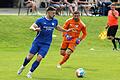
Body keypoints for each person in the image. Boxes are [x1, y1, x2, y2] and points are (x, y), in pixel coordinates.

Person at [17, 6, 73, 78]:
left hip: (46, 44)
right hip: (37, 42)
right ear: (48, 12)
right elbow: (31, 27)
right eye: (53, 13)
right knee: (29, 57)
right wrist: (35, 29)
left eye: (55, 13)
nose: (54, 14)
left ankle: (30, 72)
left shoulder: (55, 21)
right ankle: (23, 66)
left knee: (39, 58)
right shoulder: (40, 20)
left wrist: (66, 30)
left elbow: (57, 27)